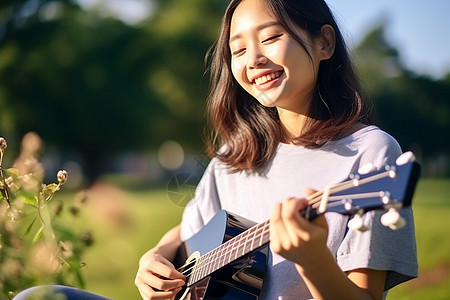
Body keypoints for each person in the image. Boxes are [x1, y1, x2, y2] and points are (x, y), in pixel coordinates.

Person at [14, 0, 417, 299]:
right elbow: (191, 231)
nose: (254, 59)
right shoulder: (236, 154)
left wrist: (313, 259)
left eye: (271, 37)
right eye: (238, 50)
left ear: (325, 42)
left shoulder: (370, 155)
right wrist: (154, 258)